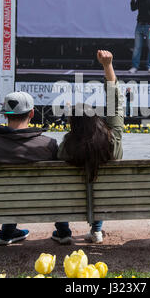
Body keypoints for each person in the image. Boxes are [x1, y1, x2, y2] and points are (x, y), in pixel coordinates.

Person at [0, 91, 58, 245]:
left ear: (5, 115)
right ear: (32, 113)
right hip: (41, 203)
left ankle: (7, 232)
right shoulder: (48, 145)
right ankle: (63, 231)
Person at [52, 50, 124, 245]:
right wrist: (107, 66)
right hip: (104, 200)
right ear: (98, 121)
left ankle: (63, 231)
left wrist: (72, 116)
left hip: (69, 202)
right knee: (99, 185)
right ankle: (97, 230)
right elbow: (115, 104)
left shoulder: (65, 148)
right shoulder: (112, 143)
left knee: (58, 189)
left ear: (72, 125)